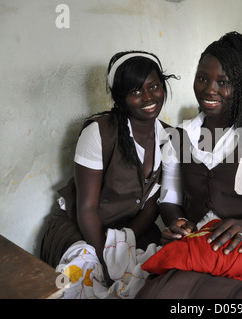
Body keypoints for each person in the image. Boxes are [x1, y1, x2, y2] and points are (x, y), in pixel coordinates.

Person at [136, 32, 242, 298]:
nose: (209, 89)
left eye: (223, 82)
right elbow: (170, 198)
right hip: (196, 248)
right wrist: (178, 223)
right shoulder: (181, 136)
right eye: (202, 78)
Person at [41, 51, 177, 284]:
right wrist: (106, 260)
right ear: (120, 97)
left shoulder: (169, 138)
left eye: (154, 86)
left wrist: (125, 240)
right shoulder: (99, 133)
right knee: (86, 280)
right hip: (82, 229)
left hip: (130, 228)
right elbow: (86, 208)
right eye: (135, 91)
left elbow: (155, 202)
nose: (148, 97)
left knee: (157, 277)